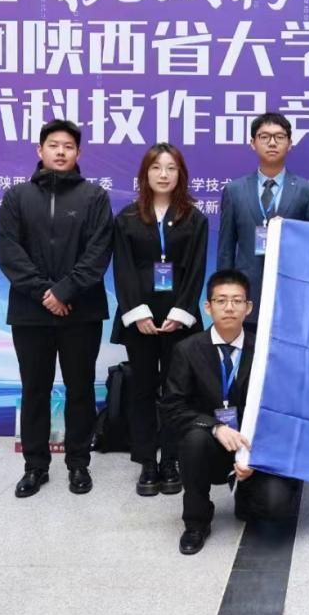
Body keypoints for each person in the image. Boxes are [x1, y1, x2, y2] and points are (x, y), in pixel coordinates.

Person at [0, 119, 113, 499]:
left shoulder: (94, 197)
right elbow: (10, 253)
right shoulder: (17, 196)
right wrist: (44, 293)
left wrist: (64, 291)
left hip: (82, 310)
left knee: (80, 388)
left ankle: (78, 464)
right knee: (35, 389)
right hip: (30, 312)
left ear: (78, 153)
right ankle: (35, 466)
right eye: (53, 145)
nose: (60, 152)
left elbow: (98, 253)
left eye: (68, 146)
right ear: (40, 150)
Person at [161, 269, 302, 555]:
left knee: (277, 507)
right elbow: (173, 407)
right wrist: (215, 427)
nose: (229, 307)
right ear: (208, 307)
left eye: (237, 301)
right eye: (221, 300)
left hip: (255, 446)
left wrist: (254, 457)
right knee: (194, 439)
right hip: (211, 445)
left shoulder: (265, 349)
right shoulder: (187, 350)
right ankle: (196, 522)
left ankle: (246, 494)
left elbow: (282, 408)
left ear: (248, 307)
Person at [112, 143, 208, 497]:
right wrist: (137, 313)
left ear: (180, 174)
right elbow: (122, 268)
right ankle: (147, 462)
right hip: (140, 318)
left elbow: (196, 270)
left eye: (171, 168)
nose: (163, 174)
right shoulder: (127, 217)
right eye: (156, 168)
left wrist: (181, 314)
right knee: (141, 389)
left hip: (178, 319)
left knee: (175, 391)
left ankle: (170, 459)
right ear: (145, 174)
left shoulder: (194, 218)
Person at [217, 113, 309, 329]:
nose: (272, 143)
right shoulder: (235, 190)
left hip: (292, 293)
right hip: (246, 295)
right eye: (264, 137)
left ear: (290, 144)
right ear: (252, 143)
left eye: (279, 137)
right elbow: (226, 248)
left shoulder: (308, 191)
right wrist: (224, 293)